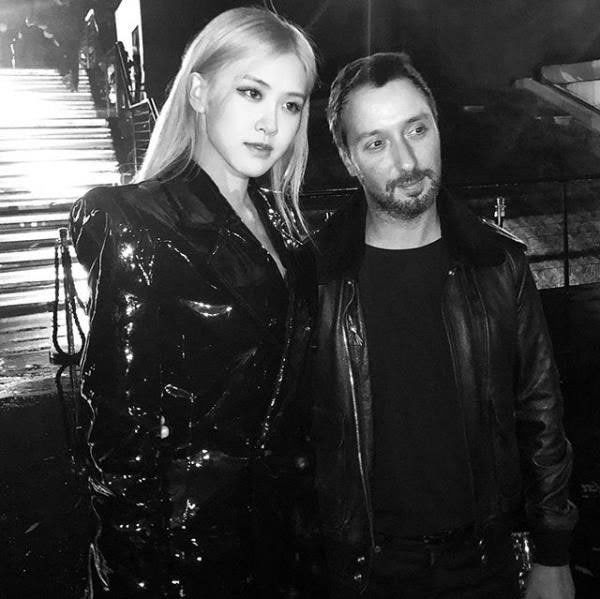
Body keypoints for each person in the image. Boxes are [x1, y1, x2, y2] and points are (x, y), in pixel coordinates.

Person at [69, 7, 319, 597]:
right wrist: (137, 578)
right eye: (252, 92)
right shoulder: (139, 223)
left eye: (290, 104)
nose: (271, 123)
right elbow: (119, 439)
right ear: (201, 92)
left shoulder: (286, 229)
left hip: (283, 544)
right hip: (186, 558)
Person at [310, 52, 577, 599]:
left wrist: (553, 553)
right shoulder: (314, 280)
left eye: (416, 129)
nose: (407, 161)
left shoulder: (500, 265)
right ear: (348, 158)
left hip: (483, 563)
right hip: (361, 571)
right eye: (376, 142)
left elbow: (540, 413)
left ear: (437, 126)